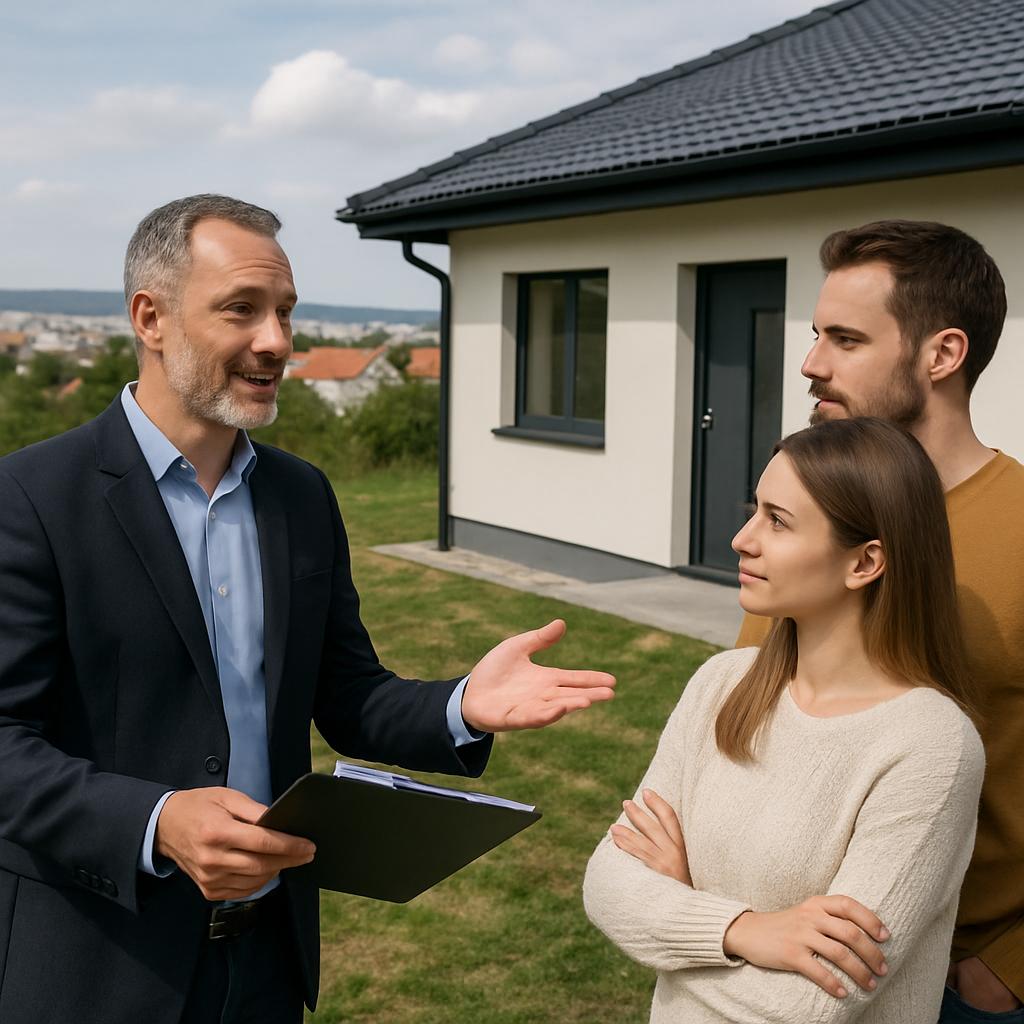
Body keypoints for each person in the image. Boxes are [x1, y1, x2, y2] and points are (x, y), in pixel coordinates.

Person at [0, 194, 616, 1024]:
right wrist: (156, 818)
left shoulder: (301, 496)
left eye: (285, 312)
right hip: (99, 967)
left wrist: (461, 704)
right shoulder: (32, 497)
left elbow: (348, 695)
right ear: (150, 317)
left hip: (267, 961)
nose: (277, 342)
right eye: (242, 310)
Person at [584, 417, 984, 1024]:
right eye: (756, 511)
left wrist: (679, 915)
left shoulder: (931, 746)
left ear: (865, 562)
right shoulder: (724, 684)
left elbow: (804, 1007)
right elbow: (607, 883)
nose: (743, 539)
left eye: (778, 521)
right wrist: (743, 930)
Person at [735, 220, 1024, 1021]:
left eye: (846, 339)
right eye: (816, 334)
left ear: (941, 355)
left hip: (961, 985)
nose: (811, 363)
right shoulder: (798, 521)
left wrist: (1009, 962)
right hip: (769, 959)